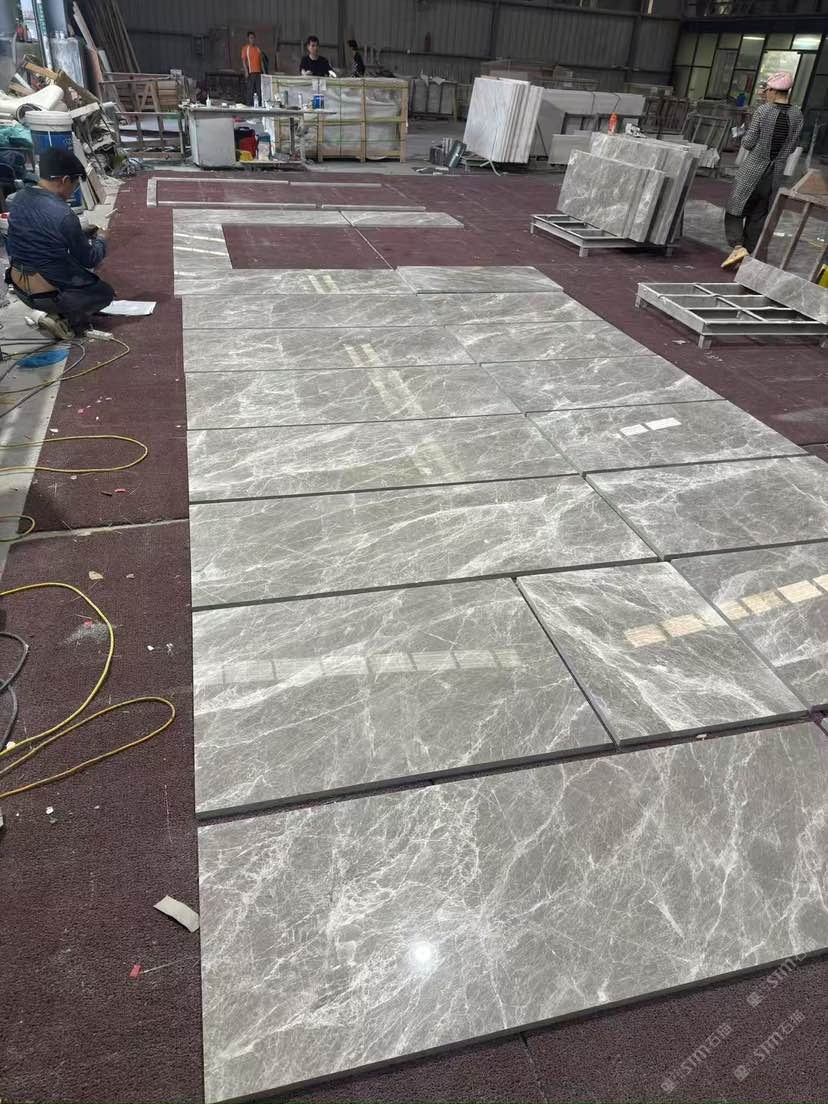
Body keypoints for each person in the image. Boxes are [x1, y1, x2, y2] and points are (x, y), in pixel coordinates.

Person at [5, 147, 113, 338]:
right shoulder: (63, 213)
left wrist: (78, 232)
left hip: (20, 289)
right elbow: (90, 259)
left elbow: (38, 234)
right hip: (48, 295)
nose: (72, 192)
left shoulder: (18, 198)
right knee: (104, 292)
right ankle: (60, 316)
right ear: (64, 180)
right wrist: (102, 239)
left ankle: (46, 313)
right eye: (74, 186)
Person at [722, 71, 803, 269]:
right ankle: (748, 260)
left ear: (774, 91)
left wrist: (742, 135)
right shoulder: (797, 115)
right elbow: (793, 146)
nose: (766, 94)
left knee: (734, 209)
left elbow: (749, 143)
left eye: (767, 91)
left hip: (752, 172)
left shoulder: (764, 111)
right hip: (774, 176)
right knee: (758, 216)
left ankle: (738, 247)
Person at [242, 31, 264, 106]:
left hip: (258, 73)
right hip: (251, 73)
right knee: (250, 91)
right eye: (251, 38)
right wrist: (246, 72)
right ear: (248, 39)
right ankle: (249, 105)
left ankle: (259, 105)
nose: (252, 39)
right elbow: (244, 61)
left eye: (253, 38)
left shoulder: (258, 49)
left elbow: (261, 62)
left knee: (259, 91)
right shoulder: (246, 48)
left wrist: (263, 73)